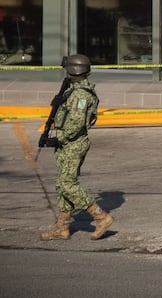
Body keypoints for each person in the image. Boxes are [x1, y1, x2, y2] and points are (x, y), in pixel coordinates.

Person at [39, 54, 114, 241]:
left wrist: (57, 138)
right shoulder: (73, 90)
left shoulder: (81, 95)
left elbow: (76, 123)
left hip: (73, 143)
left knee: (68, 184)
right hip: (68, 143)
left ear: (73, 69)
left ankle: (100, 216)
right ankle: (62, 227)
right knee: (62, 184)